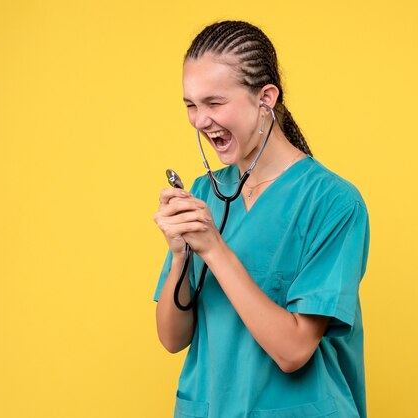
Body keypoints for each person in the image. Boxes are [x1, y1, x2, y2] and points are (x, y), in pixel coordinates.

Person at [153, 20, 370, 418]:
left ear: (265, 98)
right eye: (190, 105)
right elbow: (172, 337)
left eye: (214, 103)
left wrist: (214, 249)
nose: (200, 120)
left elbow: (293, 351)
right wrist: (181, 256)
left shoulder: (334, 203)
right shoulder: (204, 194)